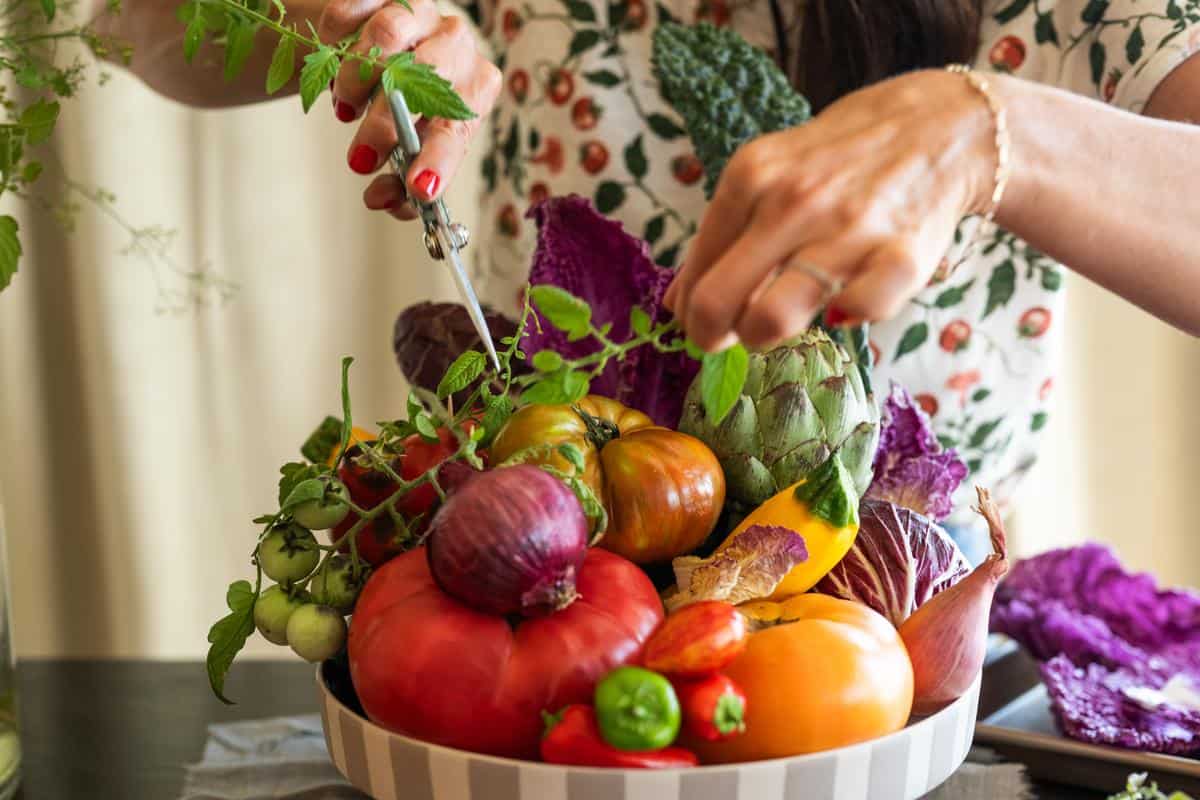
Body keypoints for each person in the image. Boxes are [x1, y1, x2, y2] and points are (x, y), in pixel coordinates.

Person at [91, 0, 1200, 559]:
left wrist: (1000, 137)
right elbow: (134, 27)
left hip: (905, 656)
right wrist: (332, 19)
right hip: (542, 602)